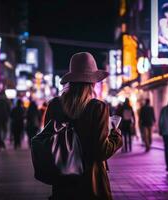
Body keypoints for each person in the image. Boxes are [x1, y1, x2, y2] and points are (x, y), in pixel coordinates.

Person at [44, 52, 122, 200]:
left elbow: (48, 143)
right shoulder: (97, 108)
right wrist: (116, 136)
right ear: (93, 82)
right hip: (91, 184)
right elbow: (101, 151)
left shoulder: (54, 106)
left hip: (63, 183)